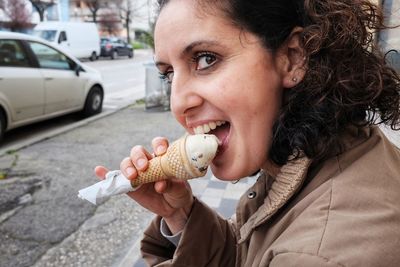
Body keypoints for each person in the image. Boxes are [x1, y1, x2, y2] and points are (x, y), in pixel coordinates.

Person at [95, 0, 400, 266]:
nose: (178, 103)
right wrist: (181, 215)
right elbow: (252, 255)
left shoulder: (319, 255)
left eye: (205, 59)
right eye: (169, 74)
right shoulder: (309, 150)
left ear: (293, 58)